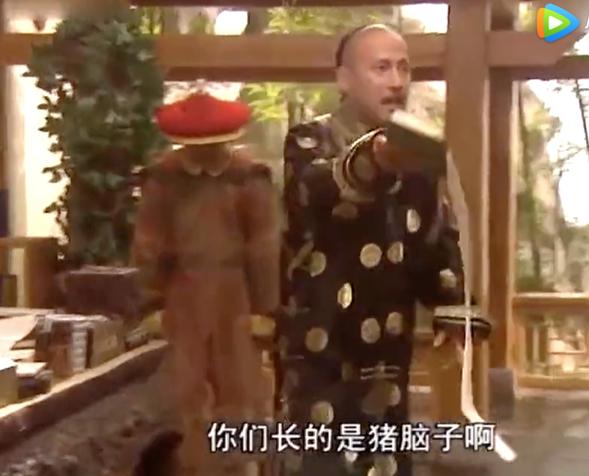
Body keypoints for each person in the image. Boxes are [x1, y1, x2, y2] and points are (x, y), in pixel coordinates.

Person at [276, 24, 493, 476]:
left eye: (403, 68)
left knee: (385, 457)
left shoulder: (419, 155)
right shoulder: (309, 140)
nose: (396, 81)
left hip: (388, 349)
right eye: (381, 68)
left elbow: (435, 236)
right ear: (344, 79)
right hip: (321, 344)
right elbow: (316, 190)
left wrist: (453, 305)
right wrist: (372, 161)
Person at [131, 88, 281, 476]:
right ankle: (190, 467)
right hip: (183, 296)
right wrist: (151, 302)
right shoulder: (163, 179)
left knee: (243, 388)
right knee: (185, 390)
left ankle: (245, 467)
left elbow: (264, 246)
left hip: (236, 296)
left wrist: (265, 308)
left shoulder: (248, 177)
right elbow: (149, 244)